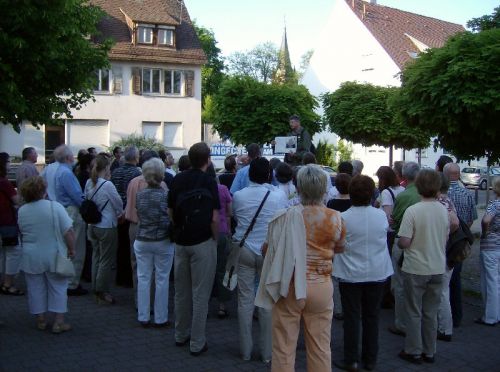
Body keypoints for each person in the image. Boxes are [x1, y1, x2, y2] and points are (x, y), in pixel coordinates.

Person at [256, 164, 345, 371]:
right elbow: (339, 248)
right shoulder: (335, 217)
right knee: (320, 346)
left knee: (284, 347)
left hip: (290, 285)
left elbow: (267, 250)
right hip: (321, 286)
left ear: (298, 188)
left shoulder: (284, 216)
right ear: (324, 189)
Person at [333, 175, 393, 371]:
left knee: (351, 317)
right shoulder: (380, 216)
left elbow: (337, 245)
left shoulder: (343, 219)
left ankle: (351, 359)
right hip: (376, 272)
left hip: (350, 274)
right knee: (372, 316)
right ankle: (370, 358)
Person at [232, 157, 288, 363]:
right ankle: (267, 353)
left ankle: (245, 351)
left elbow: (237, 218)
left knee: (244, 300)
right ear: (269, 175)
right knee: (266, 301)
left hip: (244, 248)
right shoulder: (278, 196)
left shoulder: (238, 196)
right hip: (268, 250)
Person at [168, 142, 220, 356]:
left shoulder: (178, 179)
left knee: (181, 292)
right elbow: (215, 217)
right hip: (203, 242)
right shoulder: (209, 181)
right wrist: (214, 239)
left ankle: (180, 334)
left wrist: (179, 228)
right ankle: (197, 342)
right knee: (201, 294)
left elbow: (170, 210)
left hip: (181, 241)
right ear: (208, 159)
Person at [397, 169, 450, 365]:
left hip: (416, 267)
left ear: (418, 186)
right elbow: (445, 235)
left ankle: (413, 350)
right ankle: (430, 350)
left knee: (413, 311)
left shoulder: (413, 210)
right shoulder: (443, 210)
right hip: (437, 266)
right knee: (431, 312)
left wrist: (403, 244)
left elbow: (404, 241)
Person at [17, 176, 75, 333]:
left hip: (30, 254)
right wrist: (72, 249)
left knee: (35, 287)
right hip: (53, 254)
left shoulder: (22, 210)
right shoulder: (55, 207)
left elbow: (22, 232)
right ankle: (58, 322)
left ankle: (41, 319)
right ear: (43, 190)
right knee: (58, 287)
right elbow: (68, 231)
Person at [134, 158, 174, 327]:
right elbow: (170, 218)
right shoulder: (166, 196)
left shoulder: (139, 194)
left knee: (143, 277)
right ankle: (160, 317)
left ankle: (143, 316)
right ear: (161, 174)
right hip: (162, 240)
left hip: (142, 239)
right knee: (162, 279)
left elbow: (140, 215)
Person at [125, 150, 169, 308]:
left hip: (134, 227)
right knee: (157, 269)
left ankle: (140, 303)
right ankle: (154, 303)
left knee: (137, 267)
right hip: (154, 230)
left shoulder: (133, 182)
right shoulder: (161, 185)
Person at [45, 145, 87, 296]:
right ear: (69, 158)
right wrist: (87, 207)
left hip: (55, 209)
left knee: (62, 246)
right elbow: (77, 195)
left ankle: (62, 277)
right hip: (70, 211)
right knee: (76, 247)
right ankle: (72, 283)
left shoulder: (49, 169)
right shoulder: (66, 173)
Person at [85, 155, 123, 304]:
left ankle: (95, 286)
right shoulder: (107, 185)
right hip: (106, 225)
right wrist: (120, 213)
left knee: (96, 256)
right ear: (106, 167)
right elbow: (118, 203)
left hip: (92, 225)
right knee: (106, 260)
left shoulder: (89, 182)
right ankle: (102, 290)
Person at [389, 162, 421, 336]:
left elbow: (394, 221)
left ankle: (401, 323)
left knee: (400, 285)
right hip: (422, 244)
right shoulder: (425, 194)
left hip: (403, 243)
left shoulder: (403, 196)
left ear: (403, 176)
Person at [444, 163, 477, 328]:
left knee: (444, 279)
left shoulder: (443, 195)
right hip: (460, 241)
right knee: (456, 278)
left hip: (444, 240)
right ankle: (457, 316)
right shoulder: (468, 193)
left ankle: (445, 316)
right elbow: (472, 218)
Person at [111, 145, 141, 288]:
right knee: (131, 248)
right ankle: (129, 278)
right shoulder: (137, 173)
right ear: (136, 157)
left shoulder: (116, 172)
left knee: (121, 246)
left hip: (118, 212)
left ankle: (120, 277)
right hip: (130, 213)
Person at [206, 163, 233, 318]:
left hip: (205, 233)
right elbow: (230, 212)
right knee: (222, 269)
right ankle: (222, 306)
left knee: (205, 270)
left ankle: (204, 303)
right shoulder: (222, 189)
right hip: (222, 231)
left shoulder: (202, 189)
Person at [436, 174, 459, 341]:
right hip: (447, 252)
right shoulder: (449, 201)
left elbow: (454, 223)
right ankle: (444, 327)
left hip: (440, 252)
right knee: (444, 290)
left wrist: (443, 235)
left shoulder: (440, 203)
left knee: (441, 291)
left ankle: (444, 329)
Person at [327, 172, 352, 321]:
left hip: (335, 242)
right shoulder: (354, 202)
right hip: (350, 242)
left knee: (335, 276)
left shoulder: (331, 204)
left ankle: (338, 308)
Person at [477, 177, 500, 326]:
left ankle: (490, 316)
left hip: (490, 245)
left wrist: (485, 233)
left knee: (490, 280)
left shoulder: (495, 203)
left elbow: (486, 220)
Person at [0, 153, 23, 295]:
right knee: (13, 252)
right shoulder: (4, 182)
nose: (10, 164)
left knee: (2, 253)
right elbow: (17, 201)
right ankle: (8, 284)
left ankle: (3, 282)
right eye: (8, 162)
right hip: (6, 221)